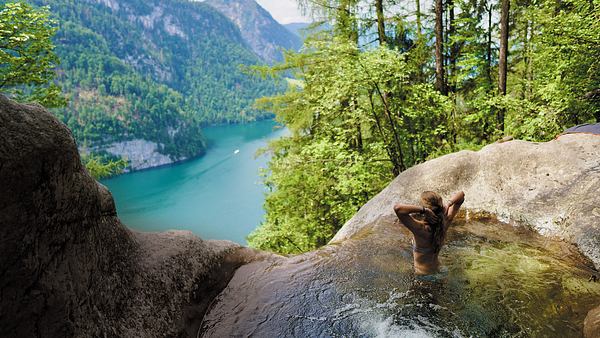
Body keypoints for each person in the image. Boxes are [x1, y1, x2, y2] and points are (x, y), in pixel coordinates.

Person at [393, 191, 465, 275]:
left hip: (424, 275)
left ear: (427, 211)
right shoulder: (445, 223)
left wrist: (423, 210)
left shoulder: (421, 229)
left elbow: (397, 208)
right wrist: (448, 204)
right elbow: (461, 195)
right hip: (440, 271)